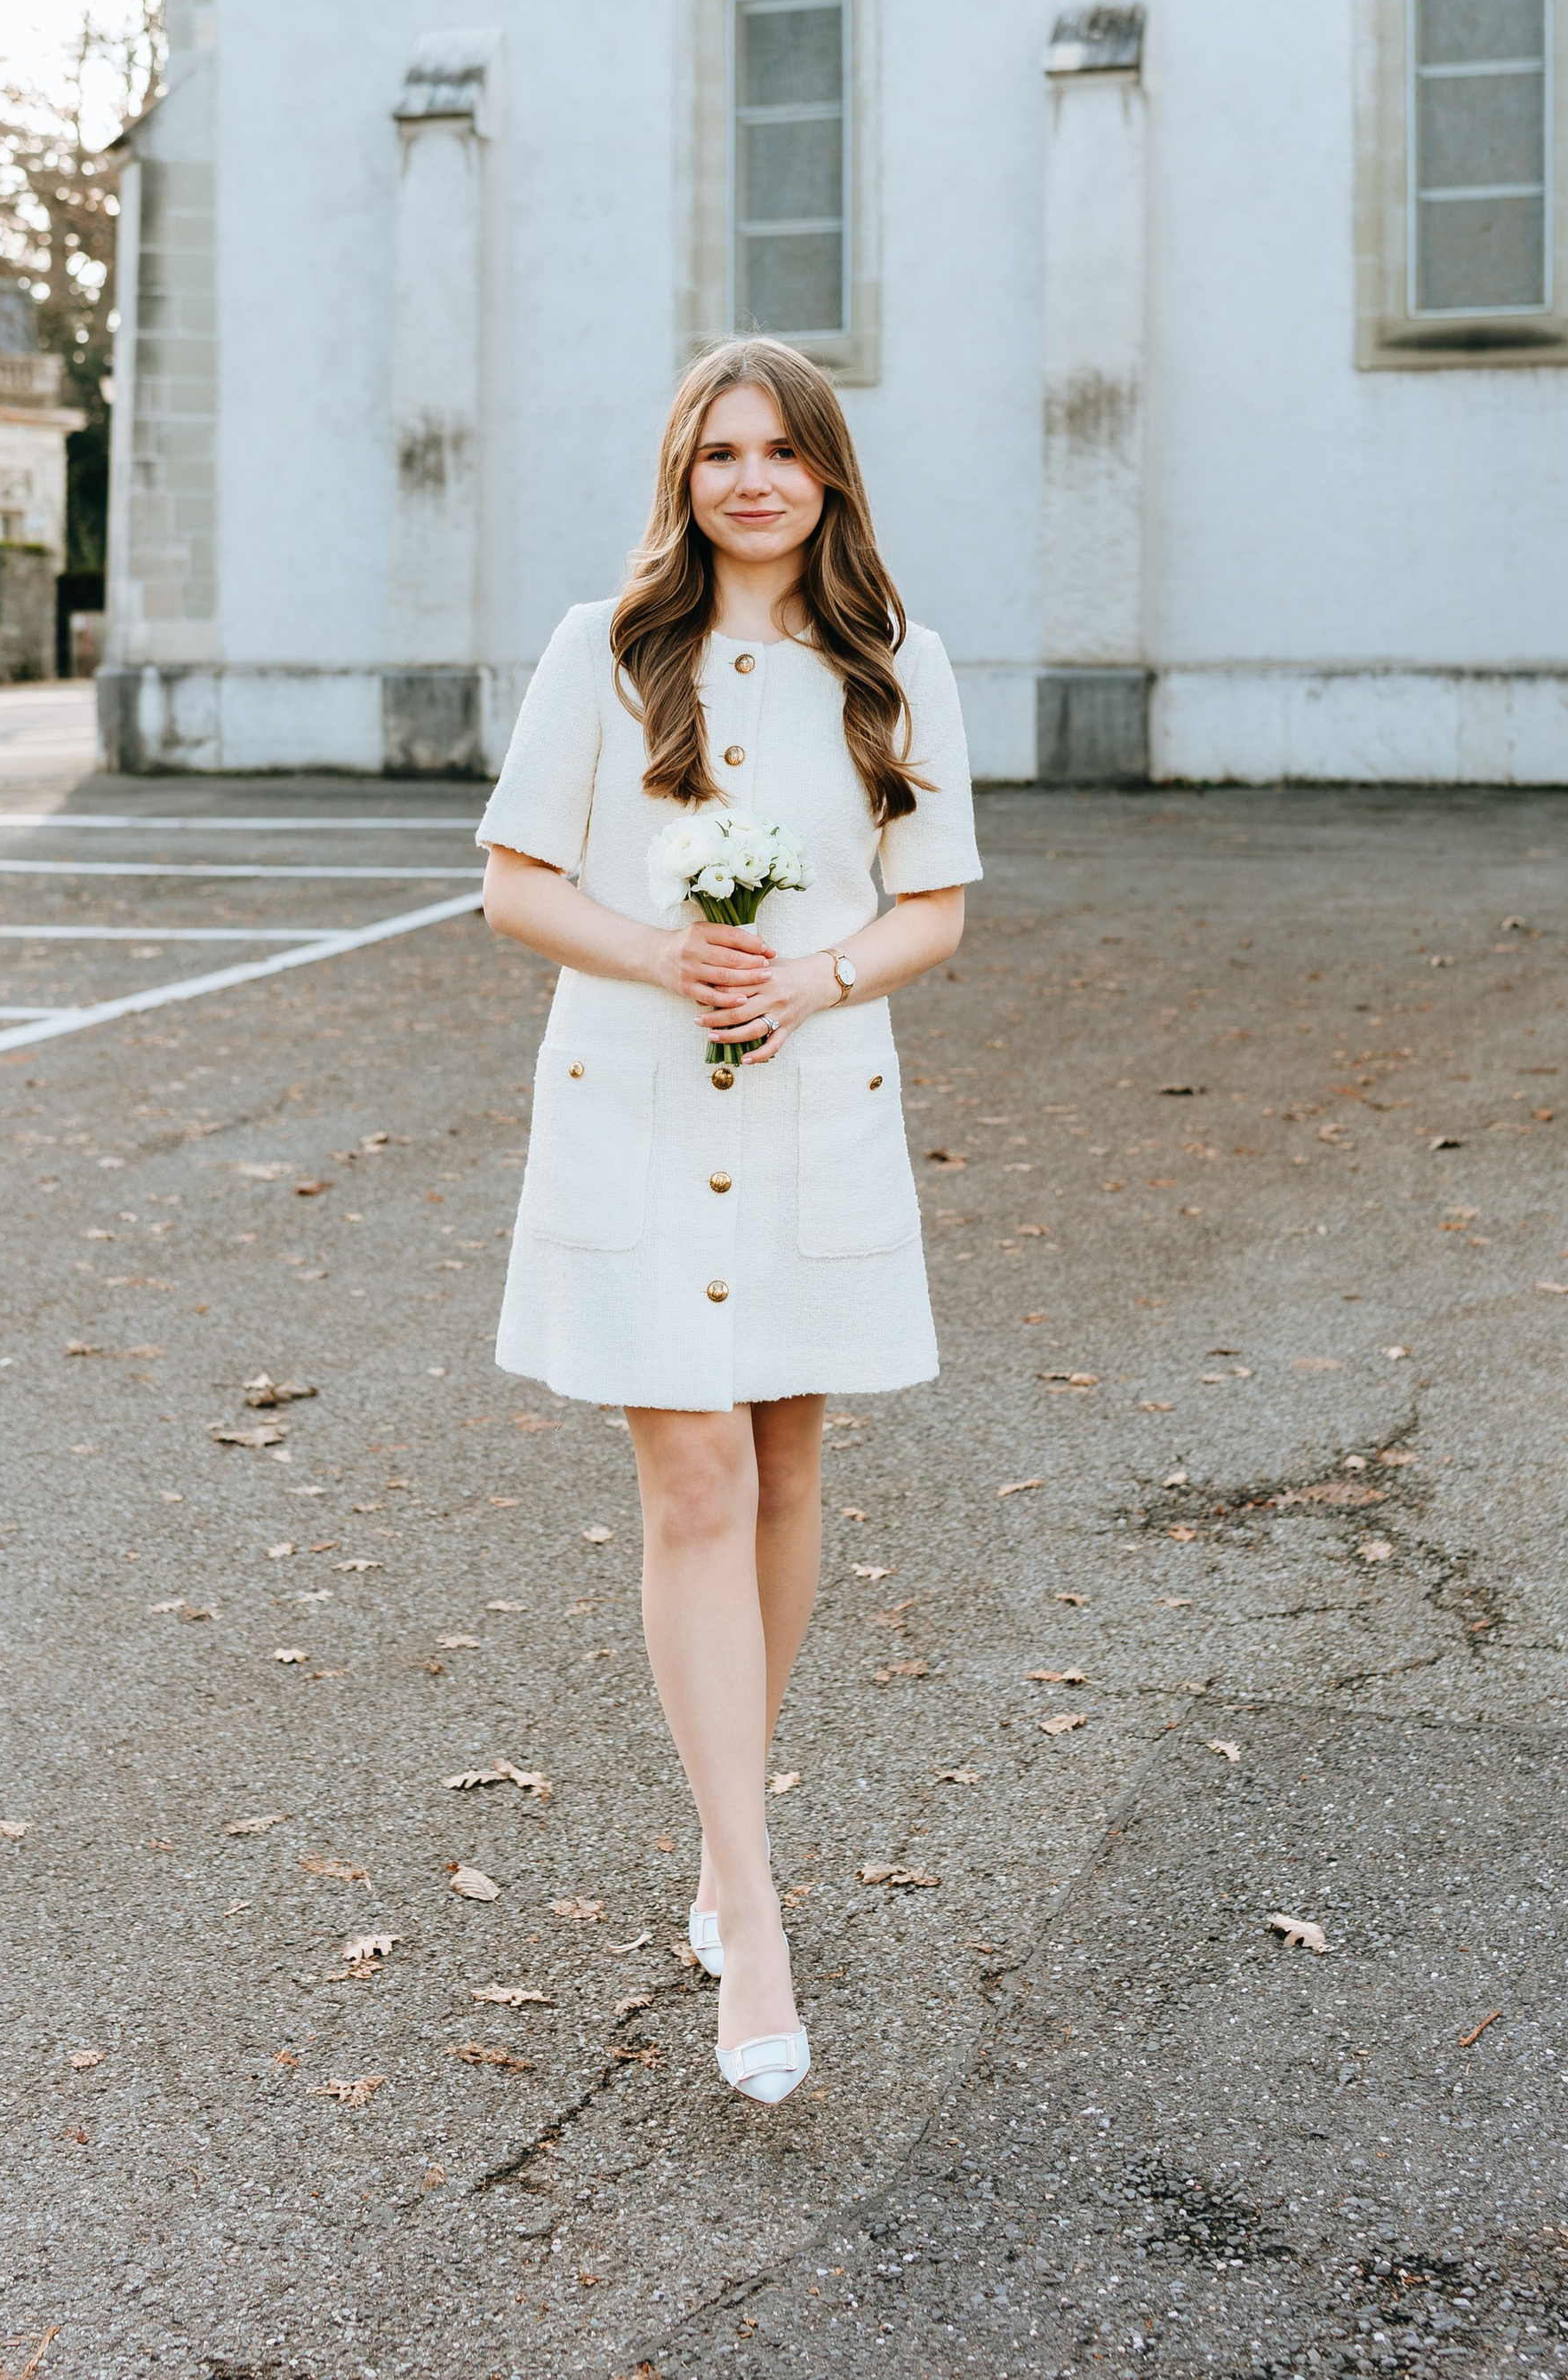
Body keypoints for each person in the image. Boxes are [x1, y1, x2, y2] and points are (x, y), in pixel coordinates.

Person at [477, 338, 980, 2108]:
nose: (749, 479)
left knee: (779, 1471)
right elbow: (514, 884)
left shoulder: (890, 663)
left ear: (826, 475)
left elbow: (931, 909)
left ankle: (713, 1841)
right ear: (680, 475)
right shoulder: (604, 655)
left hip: (811, 1110)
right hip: (625, 1105)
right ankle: (749, 1905)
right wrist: (665, 955)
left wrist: (815, 978)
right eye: (718, 452)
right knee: (688, 1474)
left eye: (779, 451)